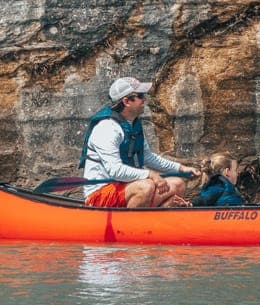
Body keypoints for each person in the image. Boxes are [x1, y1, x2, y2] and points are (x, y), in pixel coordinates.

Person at [78, 77, 200, 207]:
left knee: (178, 184)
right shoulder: (107, 128)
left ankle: (152, 224)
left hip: (126, 187)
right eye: (140, 96)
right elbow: (115, 171)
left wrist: (181, 168)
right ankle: (128, 226)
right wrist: (150, 174)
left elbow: (147, 157)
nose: (144, 99)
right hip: (99, 195)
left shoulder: (133, 125)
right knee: (145, 186)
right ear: (126, 101)